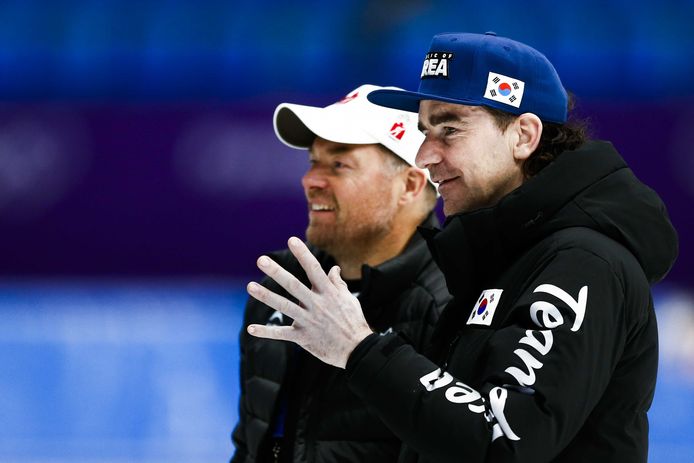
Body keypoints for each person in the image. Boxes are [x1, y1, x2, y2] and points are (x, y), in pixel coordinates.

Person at [244, 32, 679, 462]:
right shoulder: (505, 256)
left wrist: (360, 349)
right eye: (424, 131)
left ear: (524, 136)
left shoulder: (583, 264)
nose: (425, 155)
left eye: (449, 129)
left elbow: (503, 440)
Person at [231, 84, 450, 463]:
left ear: (410, 185)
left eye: (338, 164)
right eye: (313, 161)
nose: (310, 180)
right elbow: (251, 443)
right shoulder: (281, 288)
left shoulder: (453, 302)